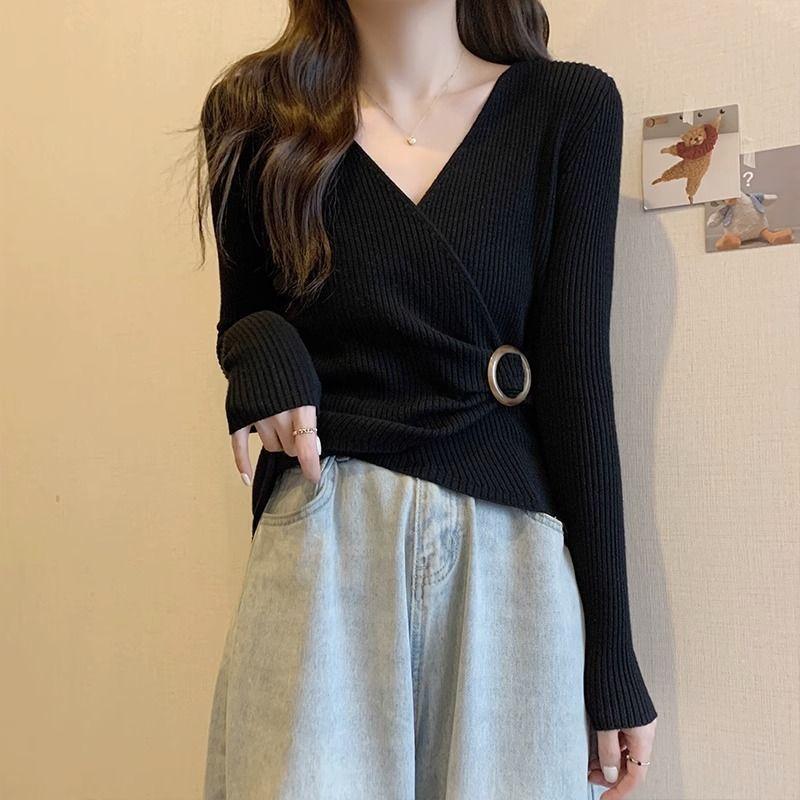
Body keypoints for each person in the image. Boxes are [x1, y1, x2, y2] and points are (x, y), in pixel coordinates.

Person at [196, 2, 657, 798]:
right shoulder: (256, 113)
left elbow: (579, 385)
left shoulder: (567, 110)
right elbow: (241, 317)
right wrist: (261, 345)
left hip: (508, 561)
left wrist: (612, 657)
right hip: (325, 546)